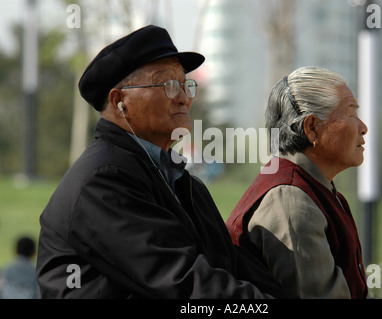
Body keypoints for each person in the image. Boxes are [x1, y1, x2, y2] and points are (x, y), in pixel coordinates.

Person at [36, 25, 294, 299]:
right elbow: (183, 281)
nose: (183, 97)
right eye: (167, 85)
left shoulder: (184, 183)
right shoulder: (102, 180)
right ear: (120, 100)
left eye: (186, 85)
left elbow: (237, 266)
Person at [226, 66, 369, 299]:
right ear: (312, 128)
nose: (363, 127)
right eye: (351, 114)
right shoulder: (290, 199)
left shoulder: (313, 188)